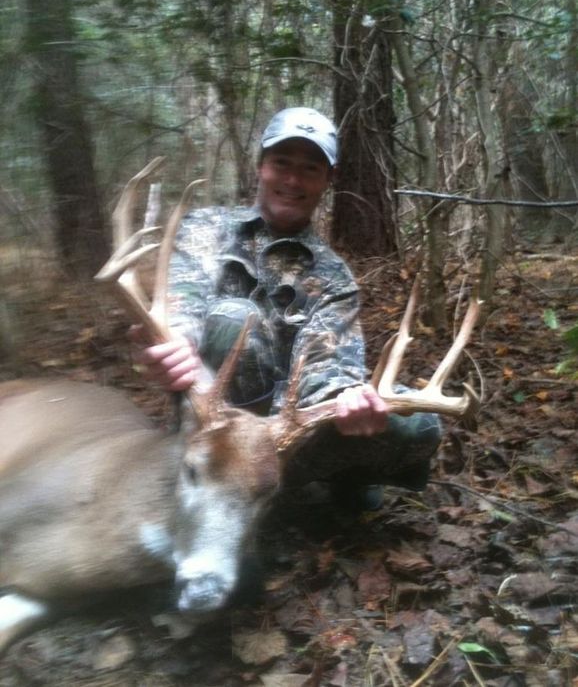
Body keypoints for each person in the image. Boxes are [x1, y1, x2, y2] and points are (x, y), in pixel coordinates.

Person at [134, 107, 441, 509]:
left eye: (310, 168)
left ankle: (343, 474)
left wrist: (347, 398)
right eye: (282, 163)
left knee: (418, 423)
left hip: (290, 437)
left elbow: (328, 363)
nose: (293, 180)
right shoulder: (204, 228)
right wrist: (174, 344)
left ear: (327, 181)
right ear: (261, 166)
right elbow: (182, 300)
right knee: (234, 319)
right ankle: (224, 484)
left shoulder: (334, 276)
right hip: (216, 430)